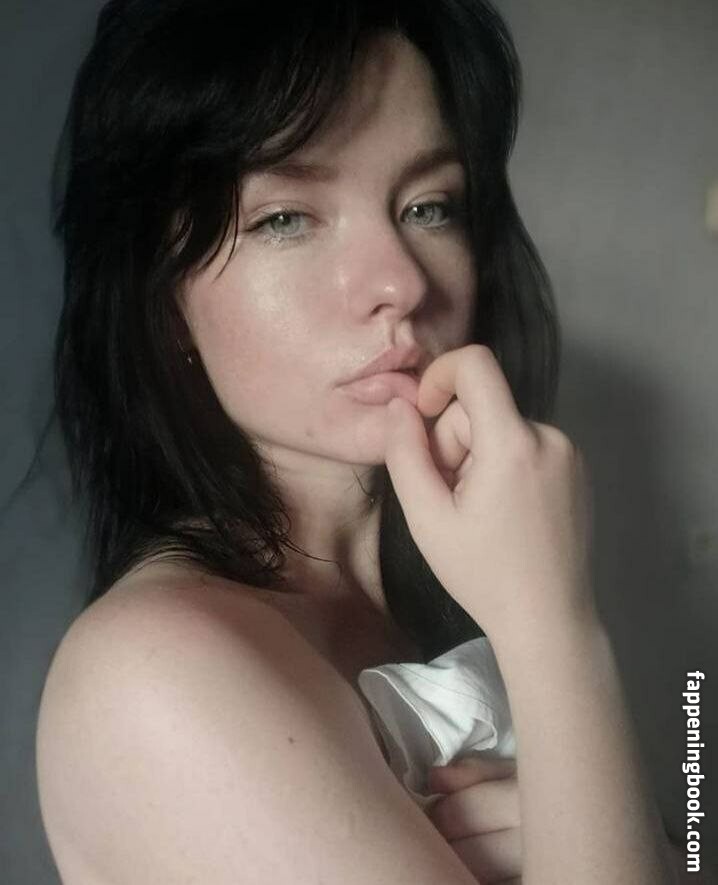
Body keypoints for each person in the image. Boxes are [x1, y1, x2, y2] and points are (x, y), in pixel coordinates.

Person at [35, 1, 687, 882]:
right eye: (285, 218)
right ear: (162, 291)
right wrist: (556, 627)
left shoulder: (443, 590)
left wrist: (657, 846)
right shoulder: (151, 671)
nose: (401, 282)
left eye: (428, 206)